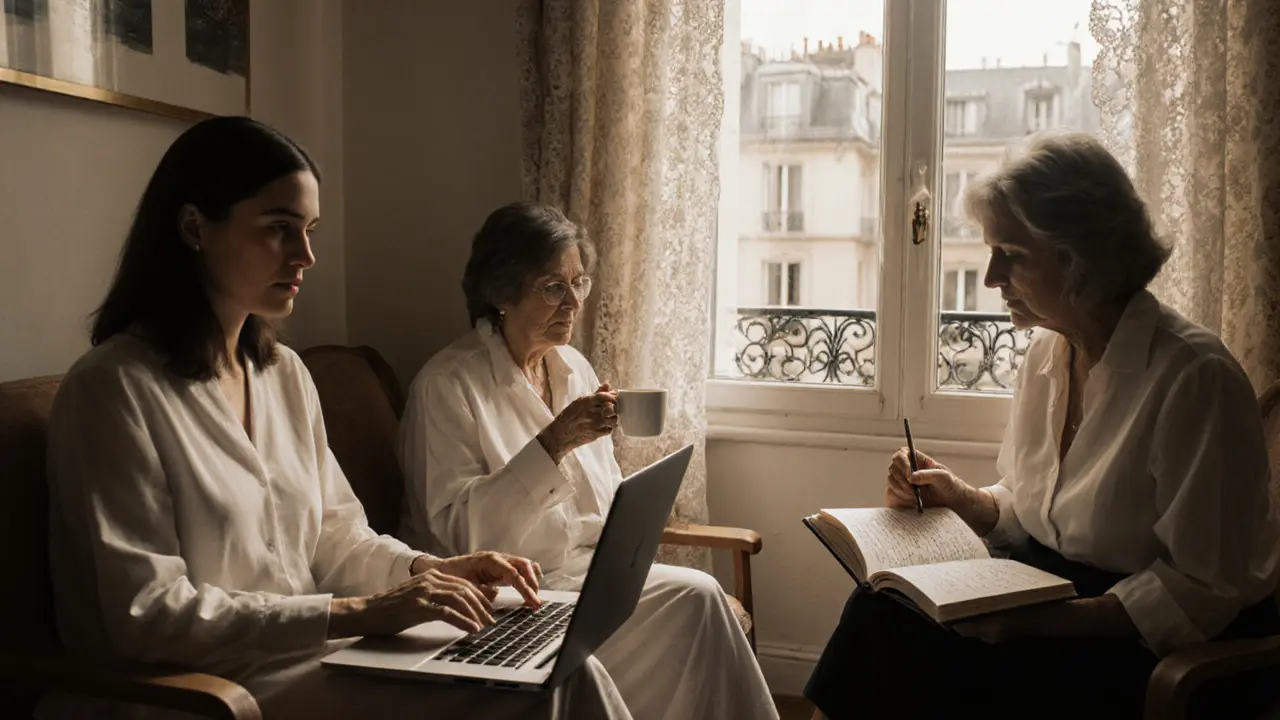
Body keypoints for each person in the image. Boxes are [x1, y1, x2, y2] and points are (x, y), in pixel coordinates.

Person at [41, 117, 633, 720]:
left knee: (562, 666)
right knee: (545, 691)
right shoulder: (113, 390)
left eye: (310, 230)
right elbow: (145, 616)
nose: (306, 255)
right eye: (279, 229)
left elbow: (336, 535)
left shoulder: (284, 375)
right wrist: (357, 613)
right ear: (195, 227)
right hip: (207, 691)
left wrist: (428, 570)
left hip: (310, 654)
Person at [803, 131, 1280, 719]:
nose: (990, 277)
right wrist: (964, 498)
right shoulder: (1048, 353)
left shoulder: (1195, 378)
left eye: (1012, 254)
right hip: (1056, 598)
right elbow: (1040, 511)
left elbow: (1205, 590)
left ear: (1081, 257)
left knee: (914, 655)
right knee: (879, 608)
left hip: (1147, 642)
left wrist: (1040, 620)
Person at [397, 202, 778, 720]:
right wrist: (553, 443)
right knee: (696, 601)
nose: (574, 302)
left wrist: (628, 541)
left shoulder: (572, 367)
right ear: (501, 293)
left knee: (701, 593)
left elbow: (603, 500)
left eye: (579, 283)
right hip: (508, 597)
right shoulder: (447, 387)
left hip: (589, 579)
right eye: (554, 287)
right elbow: (458, 535)